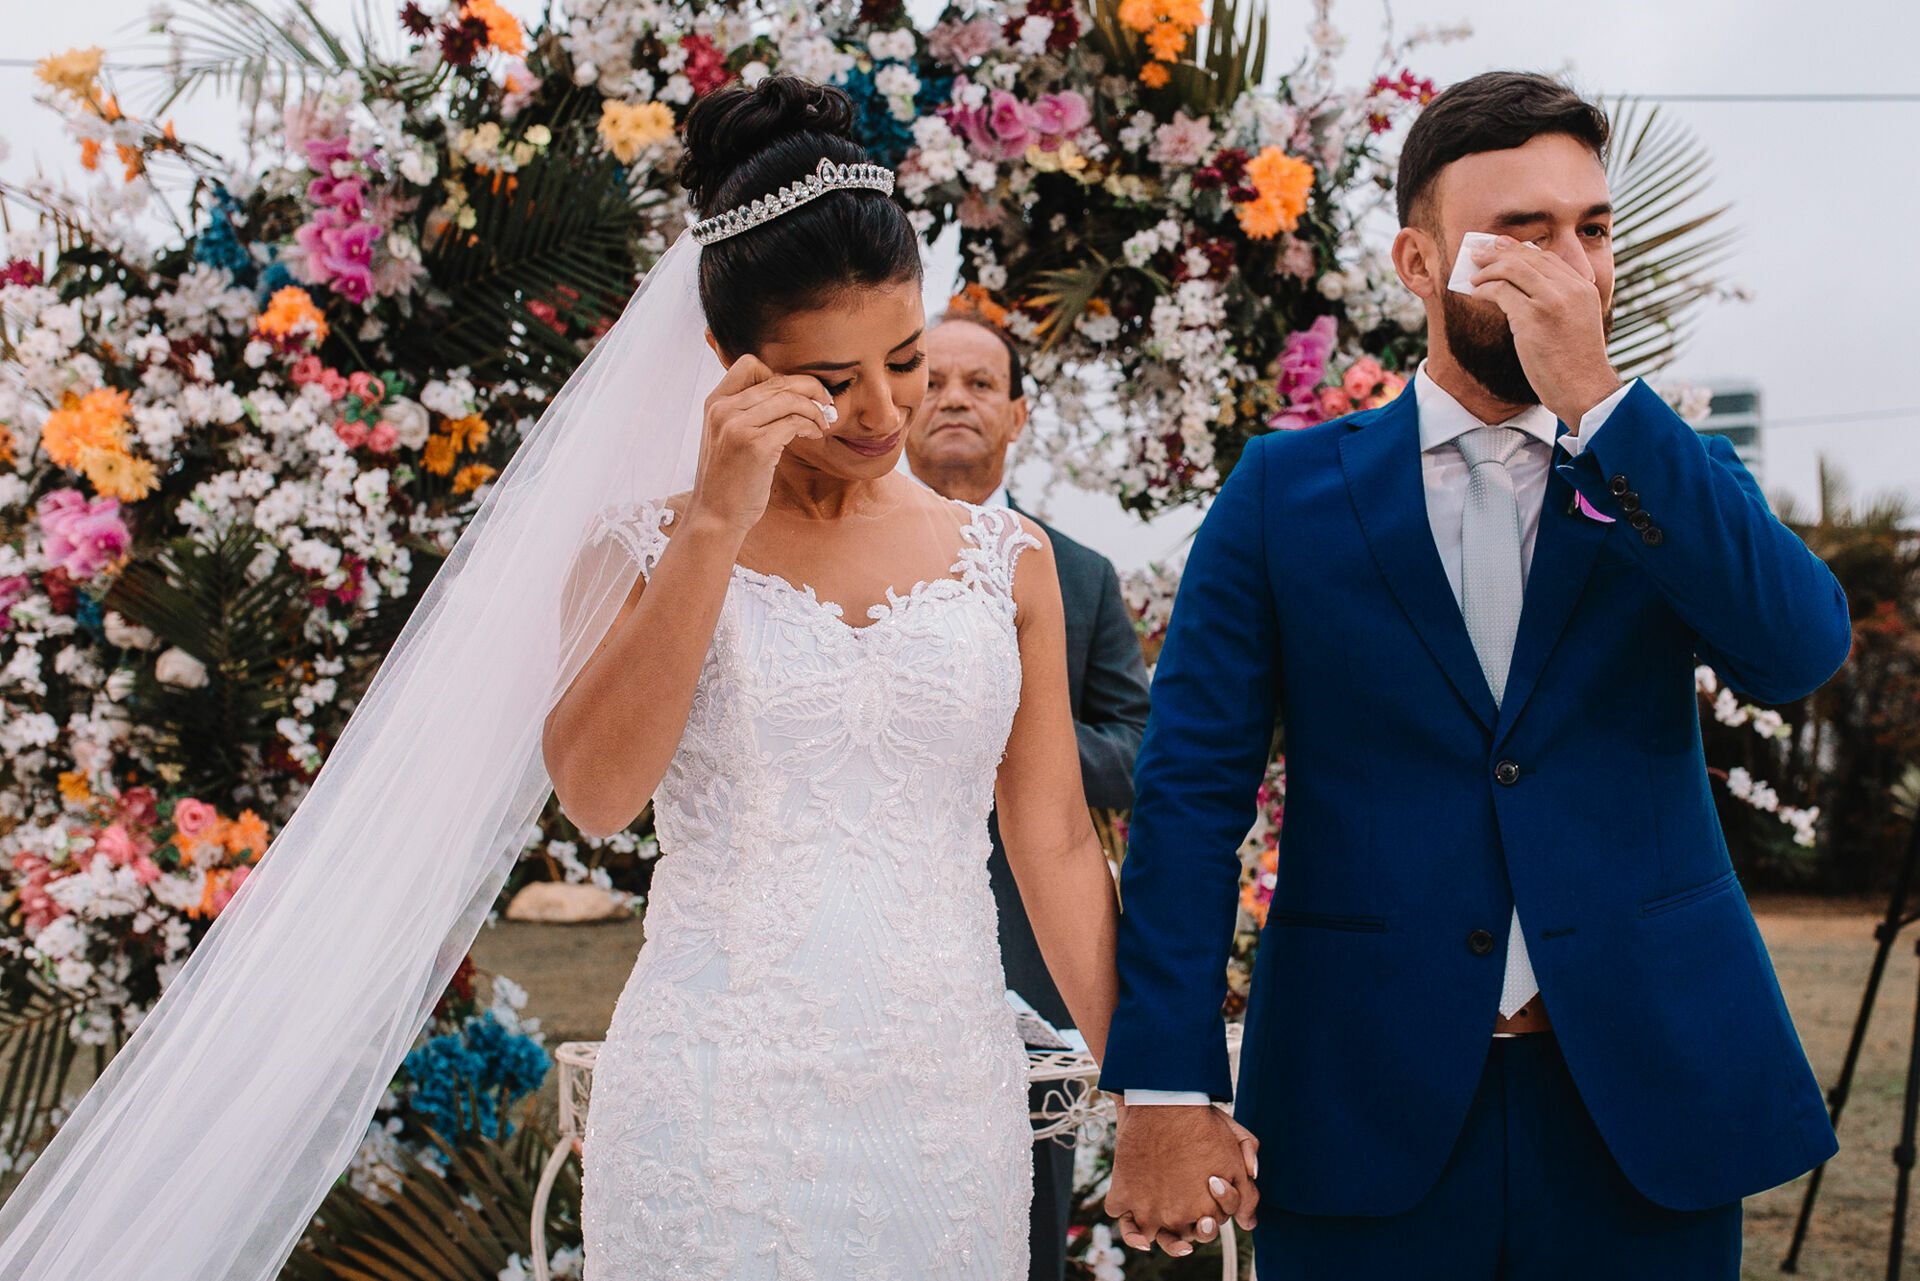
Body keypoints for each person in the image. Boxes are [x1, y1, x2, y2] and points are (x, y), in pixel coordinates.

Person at [0, 78, 1253, 1279]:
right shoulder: (639, 548)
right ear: (729, 357)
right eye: (830, 380)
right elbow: (597, 794)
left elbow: (1056, 846)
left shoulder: (1011, 560)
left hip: (948, 1103)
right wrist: (712, 529)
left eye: (906, 357)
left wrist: (1159, 1094)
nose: (883, 411)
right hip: (719, 1103)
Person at [1099, 71, 1851, 1279]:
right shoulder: (1281, 498)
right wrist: (1163, 1083)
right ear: (1417, 263)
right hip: (1360, 1097)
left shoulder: (1673, 477)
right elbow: (1189, 800)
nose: (1568, 267)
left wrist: (1602, 405)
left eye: (1591, 231)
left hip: (1643, 1097)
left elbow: (1796, 652)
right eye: (1522, 234)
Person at [904, 315, 1152, 1281]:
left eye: (979, 382)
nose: (953, 397)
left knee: (1021, 1225)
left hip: (1028, 950)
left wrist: (1009, 738)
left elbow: (1136, 748)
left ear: (1017, 413)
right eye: (931, 379)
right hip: (872, 940)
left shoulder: (1079, 576)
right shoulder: (833, 558)